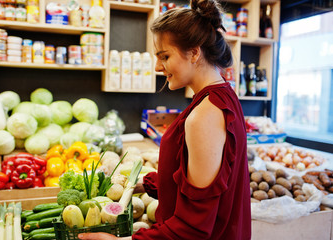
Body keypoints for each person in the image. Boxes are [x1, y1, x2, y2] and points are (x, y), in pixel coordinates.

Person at [78, 0, 251, 239]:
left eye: (165, 56)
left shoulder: (204, 116)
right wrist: (144, 184)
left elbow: (193, 228)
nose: (158, 66)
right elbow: (206, 190)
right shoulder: (223, 96)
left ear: (194, 52)